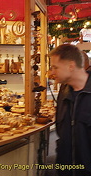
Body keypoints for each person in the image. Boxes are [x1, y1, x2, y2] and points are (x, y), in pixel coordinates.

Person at [49, 44, 91, 176]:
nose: (51, 72)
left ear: (71, 66)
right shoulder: (64, 91)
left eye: (55, 67)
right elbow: (63, 135)